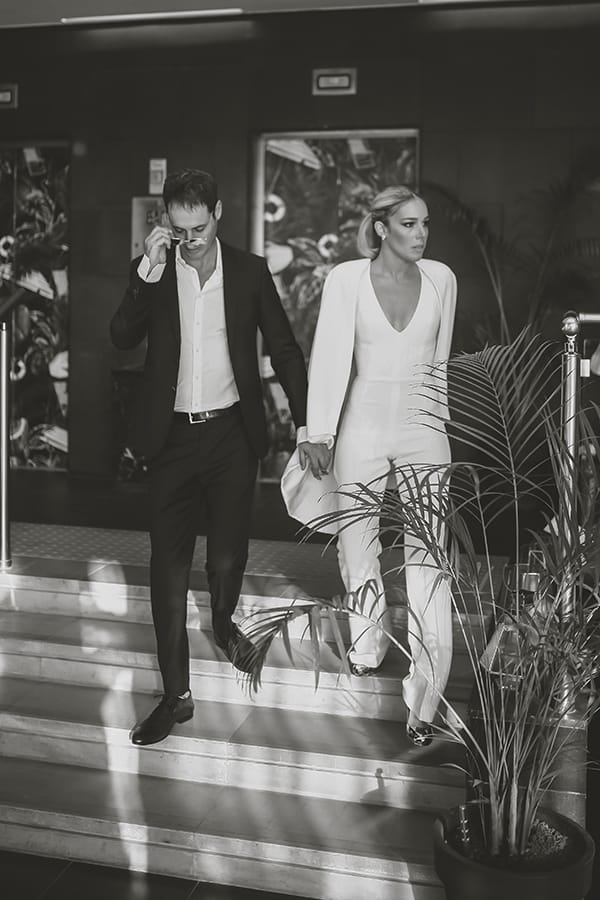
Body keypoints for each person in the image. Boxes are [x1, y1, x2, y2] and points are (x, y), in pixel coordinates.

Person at [110, 169, 324, 746]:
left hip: (232, 434)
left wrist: (307, 426)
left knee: (227, 558)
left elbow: (285, 349)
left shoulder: (250, 271)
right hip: (172, 439)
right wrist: (148, 271)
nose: (190, 240)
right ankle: (175, 696)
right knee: (167, 569)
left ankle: (224, 622)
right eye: (179, 229)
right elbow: (121, 336)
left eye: (199, 228)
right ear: (166, 222)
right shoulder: (153, 270)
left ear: (218, 213)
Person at [283, 186, 457, 746]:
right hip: (361, 424)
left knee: (430, 557)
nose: (421, 234)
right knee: (359, 546)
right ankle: (367, 645)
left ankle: (425, 700)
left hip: (424, 426)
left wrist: (442, 424)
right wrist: (318, 432)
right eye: (409, 224)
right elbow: (329, 356)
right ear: (382, 228)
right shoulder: (346, 279)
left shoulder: (442, 279)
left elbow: (441, 362)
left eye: (425, 223)